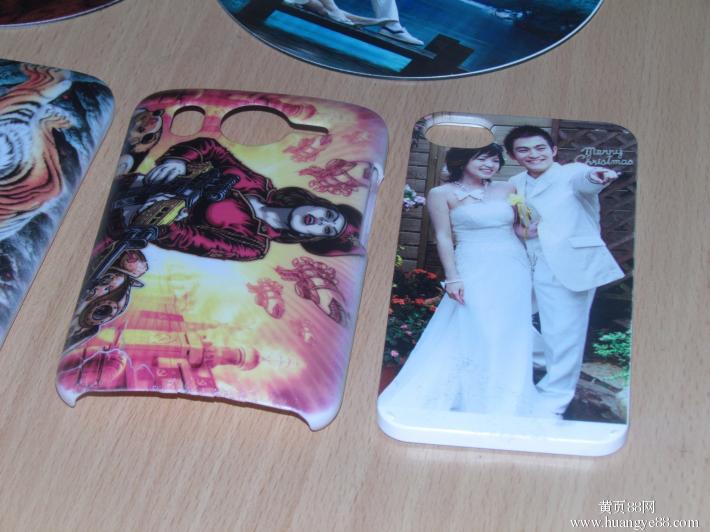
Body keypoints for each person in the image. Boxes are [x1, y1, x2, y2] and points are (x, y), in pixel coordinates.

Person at [378, 144, 538, 416]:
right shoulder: (441, 193)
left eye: (494, 160)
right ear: (462, 160)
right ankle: (471, 390)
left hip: (513, 266)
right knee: (476, 323)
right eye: (482, 159)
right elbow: (443, 237)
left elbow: (519, 228)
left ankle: (508, 393)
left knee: (510, 327)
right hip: (472, 265)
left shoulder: (508, 189)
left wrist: (542, 226)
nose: (490, 164)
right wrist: (452, 277)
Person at [504, 125, 624, 417]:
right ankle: (550, 360)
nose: (533, 154)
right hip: (526, 263)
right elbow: (518, 220)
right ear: (513, 156)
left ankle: (554, 398)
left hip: (569, 264)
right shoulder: (515, 182)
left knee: (563, 332)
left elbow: (587, 180)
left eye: (540, 148)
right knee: (503, 314)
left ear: (554, 150)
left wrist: (598, 176)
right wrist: (522, 230)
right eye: (523, 150)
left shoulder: (572, 172)